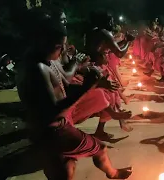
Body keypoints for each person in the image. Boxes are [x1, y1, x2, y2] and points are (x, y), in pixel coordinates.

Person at [16, 15, 132, 180]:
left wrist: (79, 68)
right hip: (54, 130)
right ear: (42, 41)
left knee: (66, 168)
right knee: (99, 149)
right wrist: (88, 86)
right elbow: (53, 110)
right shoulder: (37, 69)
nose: (63, 50)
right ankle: (113, 174)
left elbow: (65, 80)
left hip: (53, 128)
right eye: (59, 46)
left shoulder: (47, 58)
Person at [85, 11, 135, 133]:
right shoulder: (104, 33)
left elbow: (111, 47)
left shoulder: (94, 31)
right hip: (99, 69)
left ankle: (101, 130)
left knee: (113, 95)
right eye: (110, 20)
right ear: (104, 22)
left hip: (96, 66)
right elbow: (119, 53)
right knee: (111, 97)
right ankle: (115, 122)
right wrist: (128, 41)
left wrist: (124, 42)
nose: (112, 23)